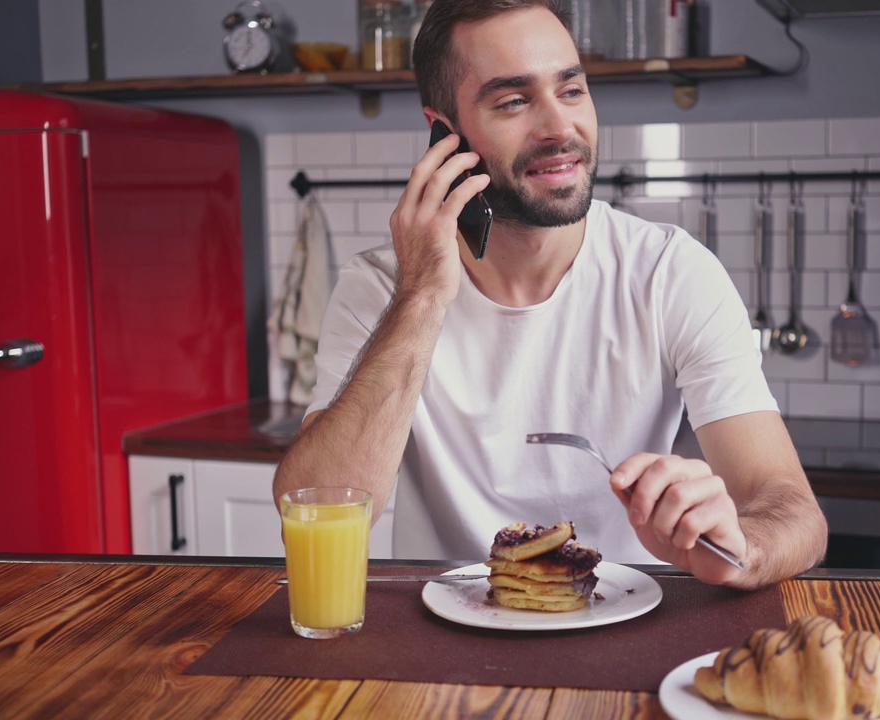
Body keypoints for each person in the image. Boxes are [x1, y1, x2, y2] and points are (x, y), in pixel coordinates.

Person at [273, 0, 827, 589]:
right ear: (444, 132)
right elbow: (319, 510)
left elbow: (793, 511)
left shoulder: (669, 271)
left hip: (617, 625)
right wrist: (422, 295)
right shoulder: (382, 288)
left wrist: (745, 547)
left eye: (571, 90)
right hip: (434, 653)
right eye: (513, 100)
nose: (560, 128)